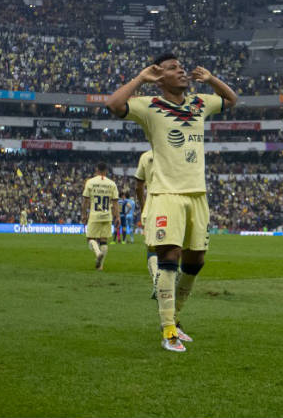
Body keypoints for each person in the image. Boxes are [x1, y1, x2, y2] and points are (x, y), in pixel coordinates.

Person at [106, 53, 237, 353]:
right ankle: (167, 331)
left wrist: (212, 79)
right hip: (166, 194)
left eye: (181, 67)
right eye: (173, 69)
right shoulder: (149, 106)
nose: (181, 71)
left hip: (197, 194)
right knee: (170, 256)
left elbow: (232, 100)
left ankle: (175, 319)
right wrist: (141, 78)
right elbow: (113, 105)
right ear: (160, 77)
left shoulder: (200, 103)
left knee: (196, 261)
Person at [82, 163, 120, 270]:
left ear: (96, 170)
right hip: (107, 215)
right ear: (106, 171)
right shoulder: (112, 184)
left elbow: (85, 201)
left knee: (90, 238)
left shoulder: (90, 182)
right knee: (104, 241)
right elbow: (116, 203)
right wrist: (117, 217)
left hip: (95, 215)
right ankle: (100, 266)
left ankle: (98, 253)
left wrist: (84, 215)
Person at [134, 149, 158, 297]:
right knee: (172, 246)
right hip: (173, 204)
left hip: (152, 204)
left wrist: (143, 205)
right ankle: (173, 282)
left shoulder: (146, 156)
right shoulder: (175, 151)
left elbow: (138, 187)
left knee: (152, 247)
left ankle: (157, 281)